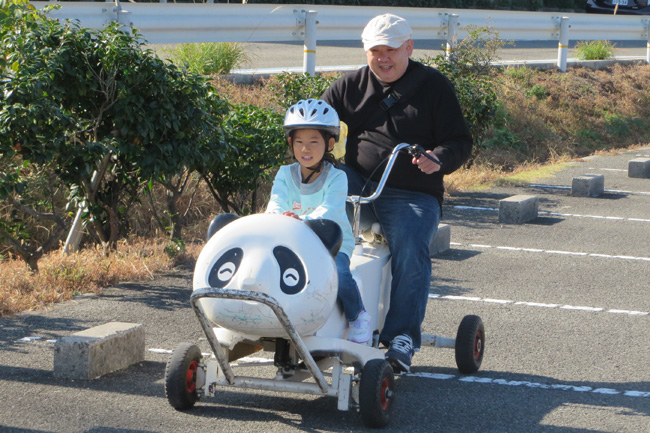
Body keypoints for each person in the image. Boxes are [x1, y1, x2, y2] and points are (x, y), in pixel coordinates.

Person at [321, 13, 473, 372]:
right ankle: (309, 315)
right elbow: (317, 123)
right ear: (365, 51)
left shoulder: (434, 86)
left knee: (410, 245)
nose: (383, 59)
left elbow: (461, 141)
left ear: (409, 47)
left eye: (390, 50)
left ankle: (402, 337)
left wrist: (440, 159)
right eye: (375, 51)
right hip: (358, 182)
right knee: (317, 226)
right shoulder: (350, 86)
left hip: (413, 194)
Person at [266, 99, 372, 344]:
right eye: (299, 141)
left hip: (331, 242)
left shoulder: (337, 177)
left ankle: (358, 315)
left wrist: (299, 220)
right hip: (291, 239)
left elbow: (330, 210)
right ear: (290, 143)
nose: (306, 149)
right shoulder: (284, 174)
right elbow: (276, 203)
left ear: (330, 144)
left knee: (339, 273)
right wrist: (279, 217)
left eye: (314, 141)